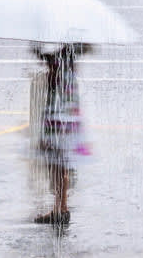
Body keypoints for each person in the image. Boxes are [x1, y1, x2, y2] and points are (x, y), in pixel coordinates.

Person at [32, 42, 91, 225]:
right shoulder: (69, 60)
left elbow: (52, 71)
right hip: (67, 118)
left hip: (58, 120)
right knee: (60, 164)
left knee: (56, 164)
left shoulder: (61, 62)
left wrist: (40, 53)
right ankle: (62, 207)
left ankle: (59, 208)